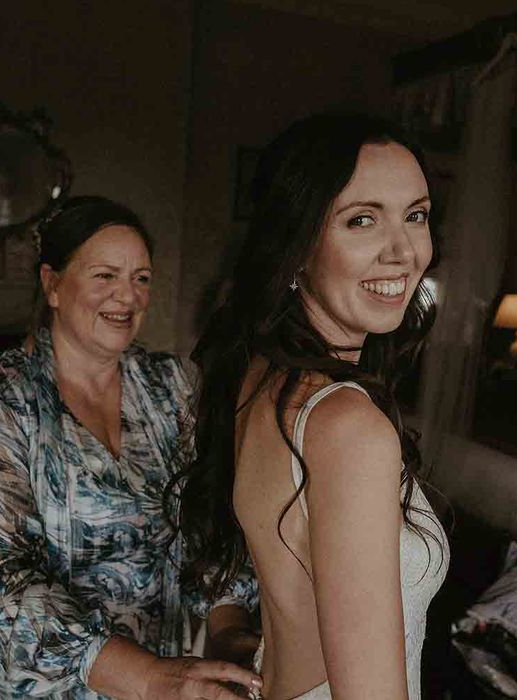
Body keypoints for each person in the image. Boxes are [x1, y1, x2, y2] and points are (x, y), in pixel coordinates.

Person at [0, 195, 262, 700]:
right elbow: (3, 574)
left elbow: (208, 520)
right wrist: (148, 678)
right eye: (105, 276)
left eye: (141, 278)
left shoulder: (175, 385)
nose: (129, 296)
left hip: (151, 662)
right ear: (52, 284)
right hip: (20, 674)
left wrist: (228, 629)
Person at [174, 114, 450, 700]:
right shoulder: (347, 426)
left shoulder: (261, 378)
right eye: (362, 220)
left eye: (416, 215)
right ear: (297, 246)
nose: (403, 252)